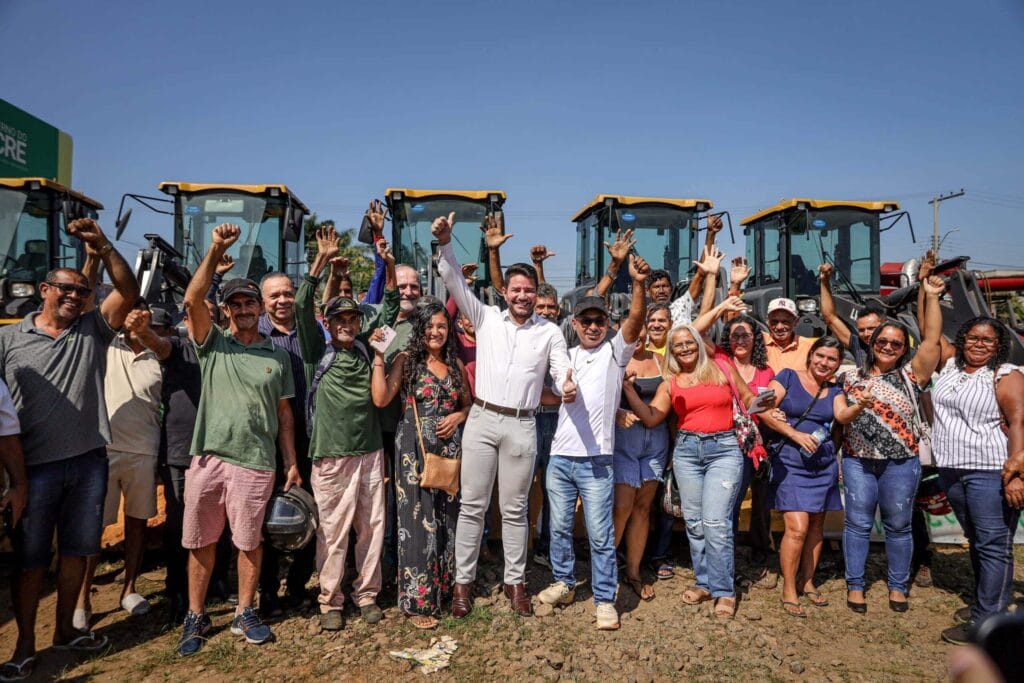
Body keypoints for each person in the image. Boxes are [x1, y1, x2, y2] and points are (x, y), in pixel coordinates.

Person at [0, 218, 138, 673]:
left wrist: (102, 244)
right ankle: (23, 646)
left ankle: (65, 631)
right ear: (44, 289)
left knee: (78, 551)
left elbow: (129, 289)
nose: (75, 296)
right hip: (33, 468)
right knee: (31, 559)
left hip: (87, 461)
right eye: (66, 289)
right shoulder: (7, 339)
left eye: (82, 291)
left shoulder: (91, 331)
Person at [432, 211, 572, 618]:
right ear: (505, 292)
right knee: (473, 505)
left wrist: (566, 382)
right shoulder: (486, 317)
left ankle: (516, 584)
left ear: (535, 293)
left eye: (529, 290)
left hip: (522, 424)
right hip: (482, 419)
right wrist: (444, 242)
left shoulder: (549, 331)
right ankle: (463, 586)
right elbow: (454, 280)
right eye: (516, 289)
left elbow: (561, 365)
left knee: (514, 510)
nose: (523, 296)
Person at [176, 224, 300, 655]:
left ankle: (246, 611)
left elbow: (284, 414)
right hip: (210, 458)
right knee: (200, 539)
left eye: (250, 302)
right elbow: (192, 299)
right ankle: (195, 614)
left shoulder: (277, 355)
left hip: (257, 460)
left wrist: (291, 461)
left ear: (259, 309)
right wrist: (214, 250)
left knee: (248, 541)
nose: (244, 309)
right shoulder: (213, 345)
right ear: (226, 310)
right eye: (237, 304)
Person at [538, 255, 648, 631]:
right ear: (574, 324)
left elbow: (635, 321)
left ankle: (604, 599)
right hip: (560, 458)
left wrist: (636, 284)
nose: (593, 326)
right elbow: (550, 390)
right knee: (559, 528)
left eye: (599, 321)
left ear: (608, 325)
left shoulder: (615, 354)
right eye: (585, 321)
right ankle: (565, 583)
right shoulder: (564, 356)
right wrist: (561, 392)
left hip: (597, 461)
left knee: (600, 535)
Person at [296, 226, 398, 631]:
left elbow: (389, 306)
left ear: (358, 321)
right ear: (329, 321)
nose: (345, 324)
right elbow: (304, 305)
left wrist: (387, 263)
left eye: (351, 317)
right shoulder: (315, 350)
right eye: (338, 318)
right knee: (334, 532)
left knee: (371, 528)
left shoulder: (365, 347)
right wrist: (319, 263)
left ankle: (367, 594)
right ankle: (330, 599)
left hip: (371, 452)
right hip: (331, 456)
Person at [623, 323, 760, 619]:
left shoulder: (721, 367)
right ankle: (705, 583)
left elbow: (748, 399)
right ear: (671, 351)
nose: (685, 348)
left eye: (690, 343)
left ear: (698, 344)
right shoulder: (671, 382)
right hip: (687, 452)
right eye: (678, 345)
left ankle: (724, 591)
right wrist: (626, 390)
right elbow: (651, 417)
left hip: (724, 449)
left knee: (716, 522)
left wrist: (767, 403)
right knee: (695, 523)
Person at [839, 275, 945, 614]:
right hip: (858, 462)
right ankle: (855, 585)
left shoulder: (912, 374)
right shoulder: (851, 376)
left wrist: (930, 298)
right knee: (857, 524)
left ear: (904, 348)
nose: (887, 346)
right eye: (882, 341)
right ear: (871, 344)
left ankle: (898, 586)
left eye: (896, 343)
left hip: (901, 462)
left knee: (899, 525)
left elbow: (932, 341)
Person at [370, 302, 470, 629]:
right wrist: (379, 358)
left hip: (450, 449)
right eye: (430, 326)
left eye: (442, 326)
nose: (436, 332)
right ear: (420, 329)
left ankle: (444, 589)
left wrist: (459, 415)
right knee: (417, 520)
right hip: (414, 449)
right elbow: (382, 399)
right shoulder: (407, 361)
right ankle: (417, 600)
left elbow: (468, 405)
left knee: (447, 517)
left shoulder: (455, 364)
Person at [760, 337, 874, 617]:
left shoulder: (835, 388)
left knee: (815, 527)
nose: (824, 363)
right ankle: (789, 587)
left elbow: (842, 416)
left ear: (838, 364)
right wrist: (794, 434)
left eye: (832, 359)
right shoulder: (787, 376)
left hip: (821, 464)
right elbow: (760, 407)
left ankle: (807, 581)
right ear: (810, 356)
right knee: (797, 527)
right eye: (820, 356)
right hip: (790, 462)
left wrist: (859, 406)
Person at [931, 317, 1024, 644]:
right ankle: (987, 605)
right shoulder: (951, 366)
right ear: (963, 339)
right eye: (973, 338)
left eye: (987, 340)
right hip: (953, 469)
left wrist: (1016, 475)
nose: (979, 344)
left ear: (998, 344)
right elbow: (930, 331)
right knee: (980, 541)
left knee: (994, 546)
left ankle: (988, 622)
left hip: (990, 471)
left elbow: (1018, 423)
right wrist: (928, 293)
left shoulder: (1005, 374)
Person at [75, 302, 166, 630]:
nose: (137, 320)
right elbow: (87, 311)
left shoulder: (158, 354)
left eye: (144, 316)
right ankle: (82, 597)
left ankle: (129, 588)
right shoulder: (105, 346)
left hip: (144, 451)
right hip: (104, 450)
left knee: (138, 522)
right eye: (132, 315)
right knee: (95, 527)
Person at [256, 270, 318, 615]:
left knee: (311, 513)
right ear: (264, 302)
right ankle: (267, 591)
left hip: (310, 439)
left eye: (287, 293)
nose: (282, 301)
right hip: (269, 441)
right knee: (269, 519)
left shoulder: (310, 335)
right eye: (274, 296)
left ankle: (297, 586)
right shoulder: (257, 337)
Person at [612, 304, 671, 600]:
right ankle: (607, 569)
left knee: (643, 508)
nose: (635, 335)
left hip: (655, 443)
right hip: (624, 443)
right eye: (629, 331)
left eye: (639, 329)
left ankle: (633, 571)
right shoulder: (611, 362)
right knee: (621, 507)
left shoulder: (662, 362)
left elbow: (660, 410)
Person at [763, 298, 817, 373]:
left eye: (785, 322)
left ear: (796, 321)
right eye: (774, 322)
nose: (779, 327)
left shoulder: (809, 347)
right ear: (768, 321)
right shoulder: (758, 342)